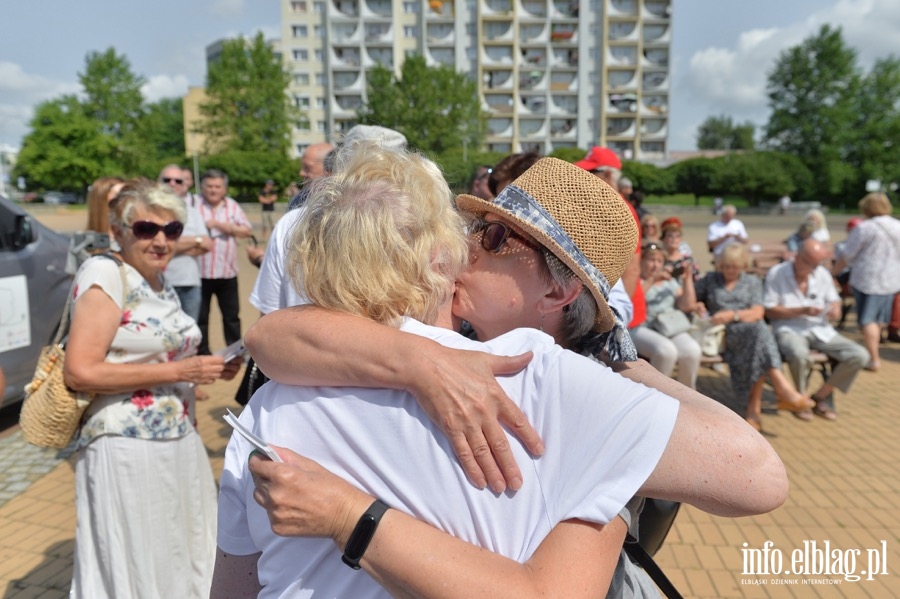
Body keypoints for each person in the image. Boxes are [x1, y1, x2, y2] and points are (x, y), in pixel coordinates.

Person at [234, 154, 788, 598]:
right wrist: (419, 361)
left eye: (497, 238)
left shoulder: (579, 392)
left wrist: (627, 364)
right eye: (477, 224)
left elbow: (757, 475)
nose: (470, 243)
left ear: (557, 290)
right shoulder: (457, 344)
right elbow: (270, 337)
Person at [62, 180, 240, 598]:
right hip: (125, 445)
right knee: (138, 557)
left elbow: (162, 360)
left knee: (178, 548)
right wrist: (181, 369)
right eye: (146, 229)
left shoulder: (159, 280)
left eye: (172, 230)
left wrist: (209, 370)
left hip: (176, 438)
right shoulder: (105, 273)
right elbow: (80, 371)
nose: (160, 240)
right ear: (118, 231)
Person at [693, 243, 814, 431]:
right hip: (724, 335)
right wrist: (698, 305)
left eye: (733, 266)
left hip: (747, 333)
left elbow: (758, 312)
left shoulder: (752, 282)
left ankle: (755, 409)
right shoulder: (711, 279)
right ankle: (780, 390)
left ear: (743, 266)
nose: (728, 270)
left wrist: (732, 315)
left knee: (757, 335)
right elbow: (691, 298)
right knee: (760, 332)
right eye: (725, 266)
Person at [764, 239, 869, 422]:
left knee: (859, 355)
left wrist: (835, 309)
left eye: (816, 264)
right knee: (799, 354)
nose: (813, 268)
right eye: (809, 263)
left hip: (820, 329)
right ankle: (799, 398)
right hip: (789, 328)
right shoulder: (777, 273)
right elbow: (769, 309)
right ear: (797, 256)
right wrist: (801, 310)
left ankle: (820, 396)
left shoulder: (821, 274)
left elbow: (834, 300)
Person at [575, 146, 646, 331]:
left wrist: (616, 321)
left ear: (607, 174)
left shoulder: (621, 209)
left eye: (590, 172)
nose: (584, 177)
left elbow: (631, 268)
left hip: (620, 309)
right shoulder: (603, 204)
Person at [832, 192, 900, 372]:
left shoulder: (865, 228)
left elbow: (847, 255)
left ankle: (873, 358)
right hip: (891, 279)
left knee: (867, 320)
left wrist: (833, 273)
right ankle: (873, 353)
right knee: (878, 319)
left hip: (868, 279)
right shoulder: (897, 226)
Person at [196, 169, 252, 354]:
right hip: (200, 273)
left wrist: (222, 226)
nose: (213, 190)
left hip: (227, 273)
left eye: (217, 186)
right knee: (201, 318)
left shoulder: (232, 206)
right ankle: (203, 353)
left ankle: (234, 353)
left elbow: (246, 231)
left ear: (224, 188)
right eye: (209, 186)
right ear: (202, 187)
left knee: (231, 317)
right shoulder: (194, 205)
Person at [630, 241, 701, 388]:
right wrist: (652, 280)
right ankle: (657, 393)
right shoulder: (635, 281)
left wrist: (687, 280)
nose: (655, 265)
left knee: (692, 351)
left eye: (659, 261)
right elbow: (633, 302)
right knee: (666, 351)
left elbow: (687, 305)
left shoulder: (669, 282)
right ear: (642, 261)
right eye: (651, 260)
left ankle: (687, 394)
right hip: (642, 326)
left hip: (669, 327)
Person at [158, 164, 211, 323]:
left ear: (185, 185)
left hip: (190, 282)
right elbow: (158, 245)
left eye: (178, 181)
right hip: (159, 283)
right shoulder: (150, 210)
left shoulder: (193, 212)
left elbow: (207, 244)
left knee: (190, 335)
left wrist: (171, 247)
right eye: (167, 180)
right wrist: (195, 241)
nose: (172, 184)